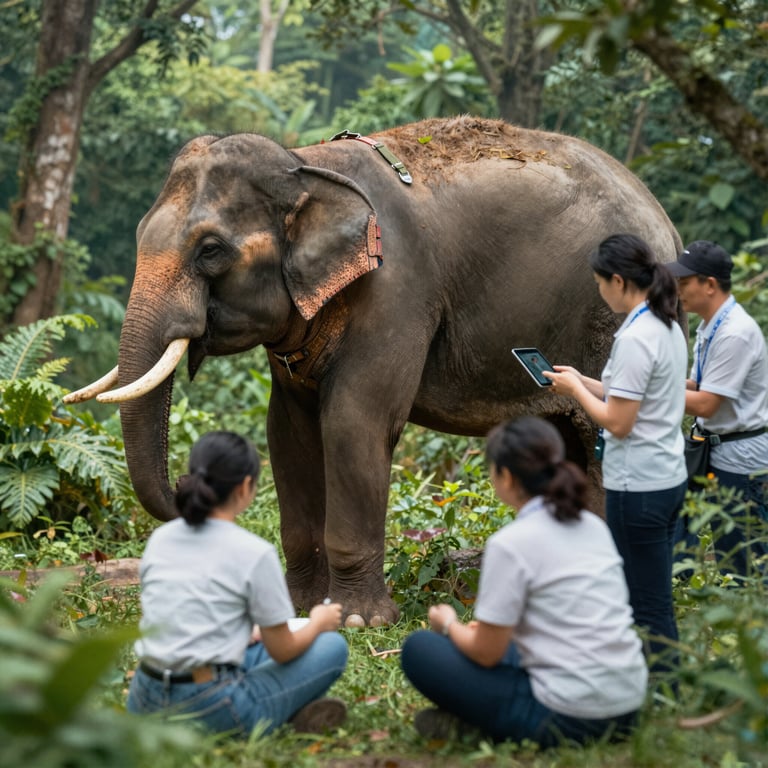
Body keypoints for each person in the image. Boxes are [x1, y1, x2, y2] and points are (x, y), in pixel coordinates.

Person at [400, 417, 647, 746]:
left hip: (569, 718)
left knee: (420, 649)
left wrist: (448, 625)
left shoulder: (511, 544)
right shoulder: (592, 525)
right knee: (505, 647)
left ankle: (482, 727)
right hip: (628, 706)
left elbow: (486, 654)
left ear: (505, 475)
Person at [126, 431, 349, 737]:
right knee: (332, 646)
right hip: (209, 704)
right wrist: (317, 623)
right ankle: (282, 715)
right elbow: (283, 651)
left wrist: (243, 632)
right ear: (245, 487)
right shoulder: (254, 553)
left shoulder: (161, 538)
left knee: (257, 643)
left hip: (144, 697)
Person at [543, 233, 688, 674]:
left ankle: (663, 686)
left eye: (600, 282)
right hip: (665, 475)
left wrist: (572, 394)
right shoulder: (664, 325)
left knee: (647, 599)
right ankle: (652, 678)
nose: (600, 291)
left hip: (638, 484)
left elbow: (618, 421)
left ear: (620, 281)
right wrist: (583, 380)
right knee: (650, 588)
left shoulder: (635, 337)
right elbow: (634, 397)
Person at [667, 240, 768, 578]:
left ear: (709, 285)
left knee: (746, 563)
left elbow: (707, 403)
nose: (678, 290)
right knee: (684, 541)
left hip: (740, 463)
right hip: (713, 451)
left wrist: (649, 392)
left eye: (684, 282)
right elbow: (698, 386)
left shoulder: (735, 333)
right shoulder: (711, 325)